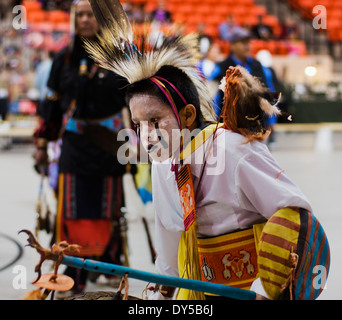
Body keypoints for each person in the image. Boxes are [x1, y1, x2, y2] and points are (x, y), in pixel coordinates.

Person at [86, 0, 330, 300]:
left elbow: (295, 215)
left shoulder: (232, 149)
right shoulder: (164, 165)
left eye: (154, 120)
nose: (146, 135)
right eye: (138, 124)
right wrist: (159, 297)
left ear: (188, 116)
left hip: (255, 290)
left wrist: (263, 291)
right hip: (198, 295)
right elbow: (169, 254)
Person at [33, 0, 132, 296]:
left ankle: (106, 263)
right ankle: (74, 267)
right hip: (74, 147)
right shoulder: (63, 59)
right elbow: (50, 104)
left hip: (108, 145)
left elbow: (135, 101)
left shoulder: (120, 57)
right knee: (72, 210)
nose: (86, 19)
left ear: (102, 19)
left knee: (107, 210)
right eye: (81, 14)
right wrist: (41, 143)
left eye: (91, 14)